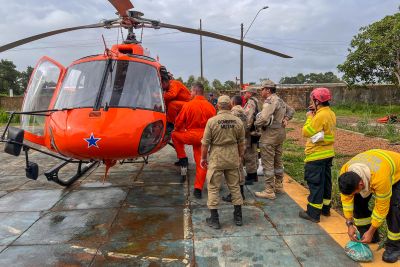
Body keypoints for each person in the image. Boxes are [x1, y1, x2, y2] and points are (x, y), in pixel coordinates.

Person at [338, 149, 400, 263]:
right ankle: (368, 235)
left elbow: (381, 208)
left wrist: (372, 229)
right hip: (373, 165)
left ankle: (394, 247)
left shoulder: (380, 178)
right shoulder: (346, 171)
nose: (354, 194)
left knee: (393, 209)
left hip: (396, 173)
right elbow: (346, 200)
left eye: (356, 190)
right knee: (357, 200)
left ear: (361, 184)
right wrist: (349, 225)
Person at [200, 95, 245, 229]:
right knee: (235, 186)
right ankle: (238, 217)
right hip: (232, 156)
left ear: (217, 106)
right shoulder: (237, 121)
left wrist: (203, 158)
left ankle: (215, 219)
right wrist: (240, 156)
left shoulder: (212, 121)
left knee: (213, 187)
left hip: (217, 157)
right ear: (230, 106)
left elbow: (205, 143)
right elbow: (241, 142)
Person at [171, 82, 216, 198]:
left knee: (174, 134)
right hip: (204, 138)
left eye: (191, 91)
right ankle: (198, 188)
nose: (190, 93)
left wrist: (180, 129)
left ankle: (182, 158)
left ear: (195, 92)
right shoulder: (210, 106)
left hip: (190, 136)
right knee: (202, 162)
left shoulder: (188, 105)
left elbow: (178, 123)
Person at [298, 87, 336, 222]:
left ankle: (313, 213)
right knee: (325, 183)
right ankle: (325, 209)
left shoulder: (320, 116)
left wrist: (309, 117)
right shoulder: (330, 113)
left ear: (317, 101)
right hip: (327, 154)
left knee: (315, 184)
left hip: (316, 155)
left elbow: (306, 132)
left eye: (312, 100)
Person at [254, 80, 295, 200]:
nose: (261, 91)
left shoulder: (270, 101)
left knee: (268, 164)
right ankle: (278, 186)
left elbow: (264, 117)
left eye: (262, 89)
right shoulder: (280, 100)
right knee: (278, 162)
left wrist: (255, 124)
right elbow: (291, 110)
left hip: (269, 136)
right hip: (280, 135)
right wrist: (286, 118)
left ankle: (269, 191)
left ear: (268, 90)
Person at [222, 95, 247, 202]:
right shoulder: (244, 112)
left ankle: (235, 194)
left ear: (232, 103)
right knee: (239, 167)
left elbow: (229, 129)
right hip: (242, 141)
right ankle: (241, 192)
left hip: (234, 144)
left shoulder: (233, 113)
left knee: (233, 170)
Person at [242, 86, 261, 185]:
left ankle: (251, 176)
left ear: (250, 93)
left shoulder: (250, 103)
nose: (244, 94)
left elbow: (248, 118)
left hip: (249, 133)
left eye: (245, 92)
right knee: (253, 153)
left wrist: (244, 130)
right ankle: (254, 175)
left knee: (249, 154)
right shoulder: (257, 101)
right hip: (255, 132)